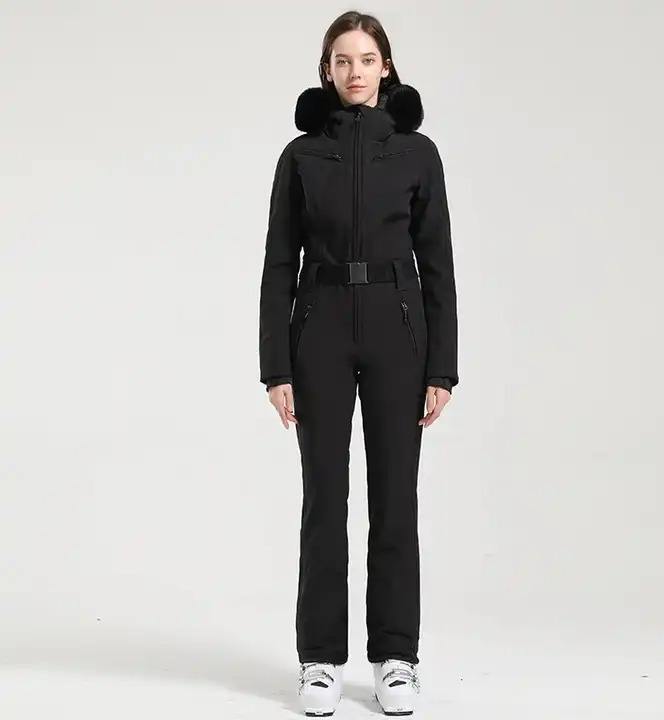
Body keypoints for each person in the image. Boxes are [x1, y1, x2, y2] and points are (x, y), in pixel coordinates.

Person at [258, 10, 459, 716]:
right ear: (327, 69)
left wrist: (442, 368)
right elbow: (278, 264)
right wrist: (276, 367)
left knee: (395, 498)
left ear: (386, 67)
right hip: (318, 333)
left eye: (366, 59)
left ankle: (395, 658)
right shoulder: (301, 156)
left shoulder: (417, 152)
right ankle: (319, 660)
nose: (354, 71)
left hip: (398, 334)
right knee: (324, 498)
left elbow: (438, 265)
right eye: (342, 60)